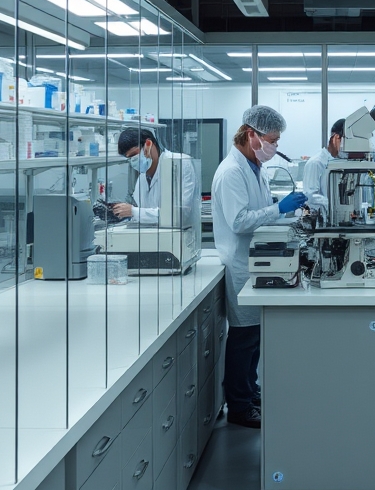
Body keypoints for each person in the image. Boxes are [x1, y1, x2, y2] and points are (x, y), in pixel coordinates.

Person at [211, 105, 307, 429]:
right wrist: (279, 207)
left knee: (254, 337)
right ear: (251, 134)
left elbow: (261, 211)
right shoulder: (230, 172)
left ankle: (250, 392)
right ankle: (239, 406)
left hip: (256, 260)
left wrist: (288, 213)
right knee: (244, 338)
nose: (275, 147)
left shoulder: (254, 166)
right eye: (272, 139)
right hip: (239, 263)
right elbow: (239, 222)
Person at [111, 127, 198, 226]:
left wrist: (134, 212)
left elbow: (180, 214)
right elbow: (143, 214)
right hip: (152, 237)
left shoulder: (179, 164)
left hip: (179, 237)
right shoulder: (142, 178)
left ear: (148, 144)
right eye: (129, 159)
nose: (133, 161)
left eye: (134, 155)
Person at [302, 117, 345, 213]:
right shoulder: (316, 163)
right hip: (323, 220)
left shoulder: (342, 163)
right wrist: (331, 204)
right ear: (335, 138)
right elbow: (310, 198)